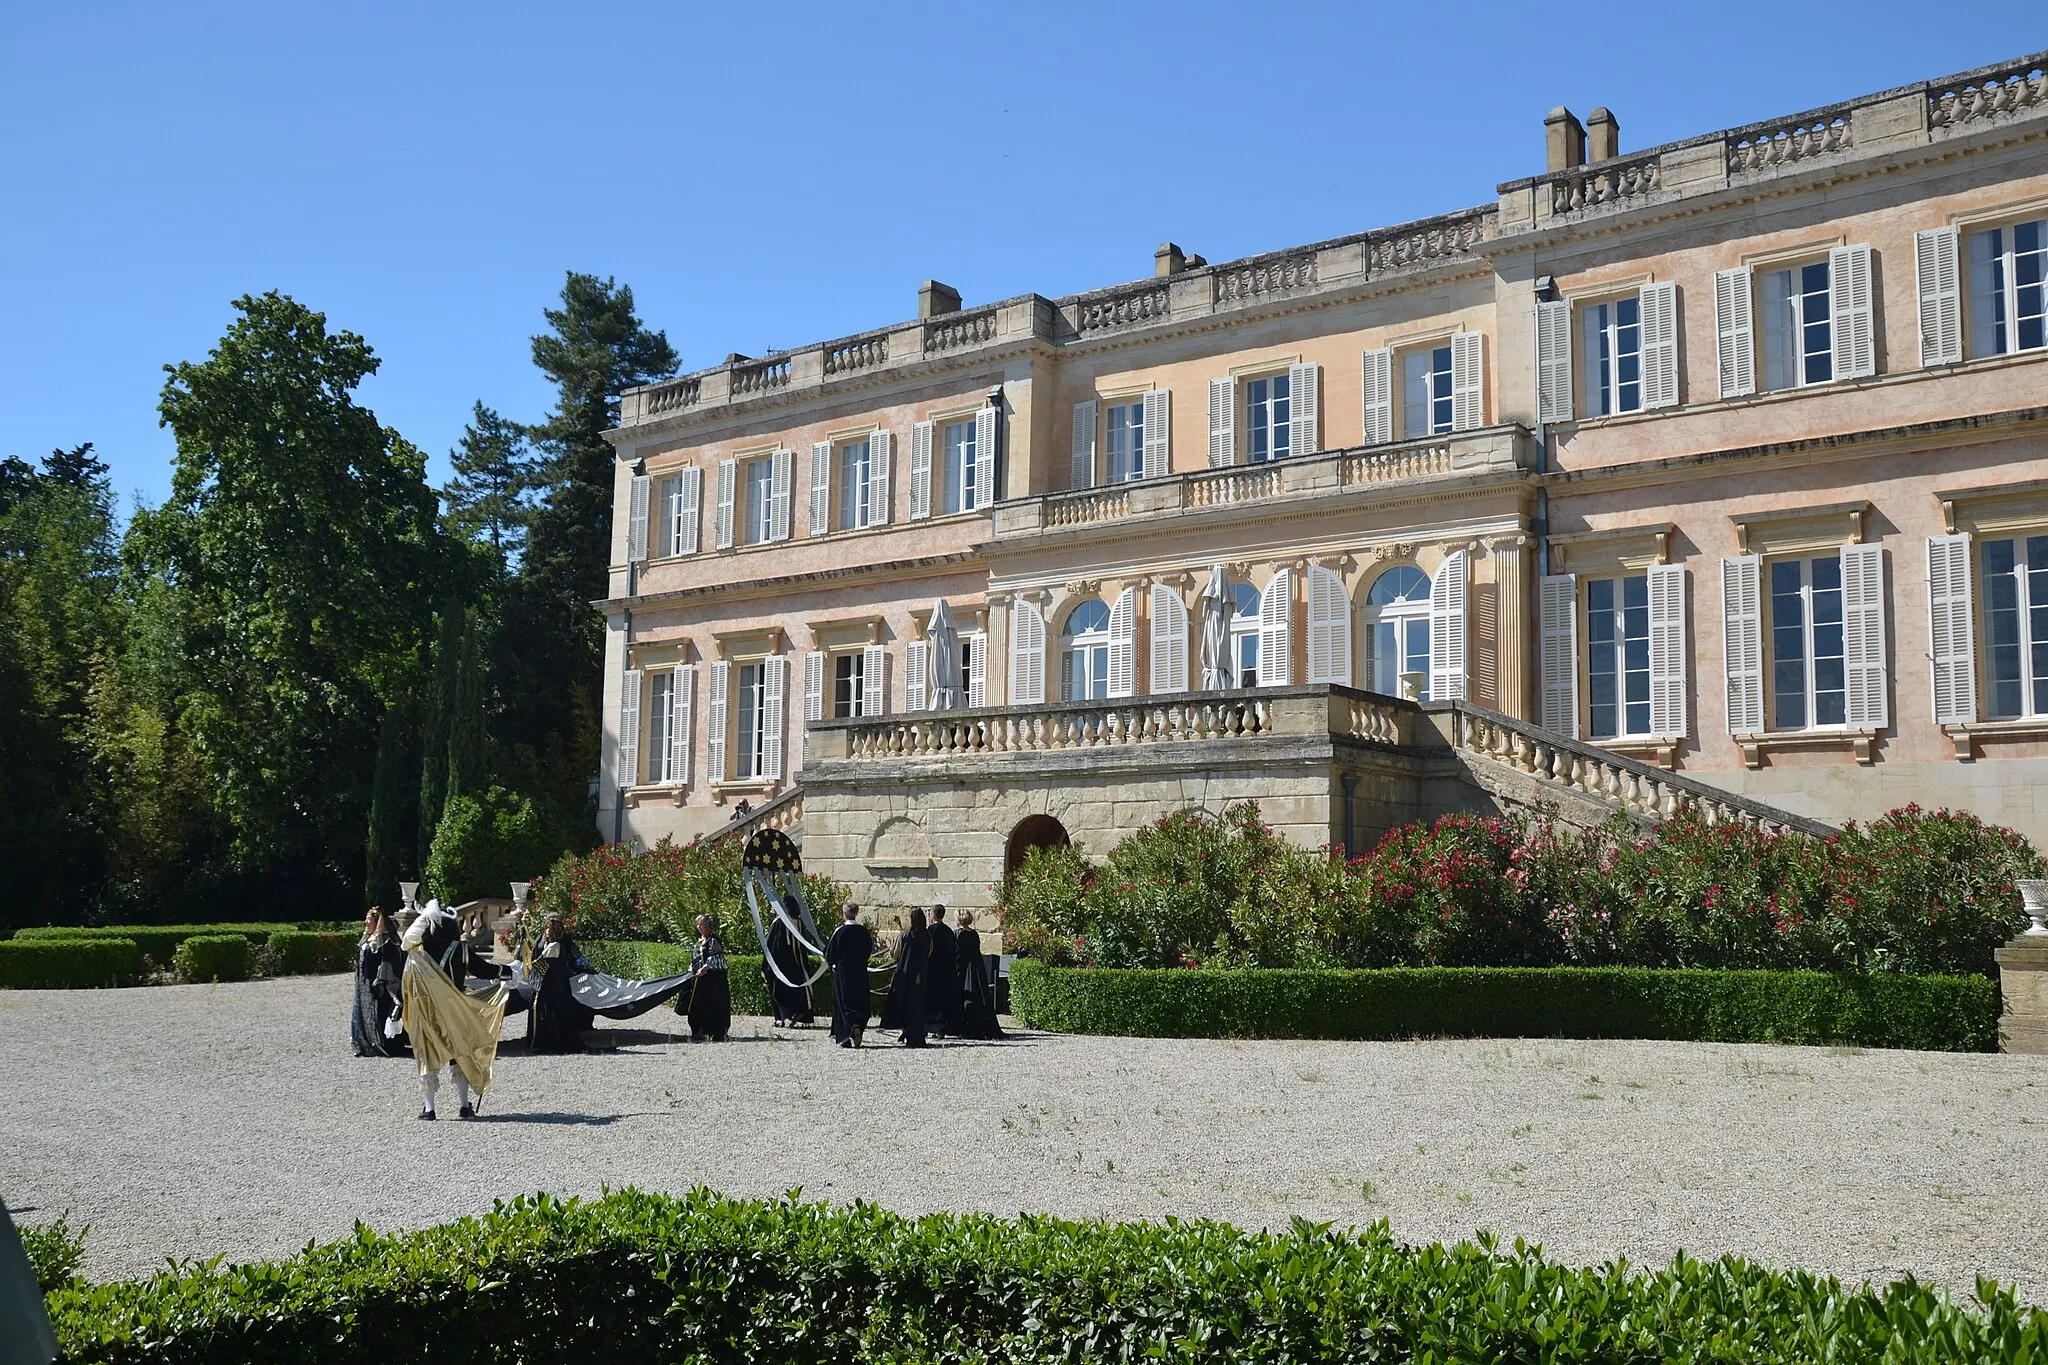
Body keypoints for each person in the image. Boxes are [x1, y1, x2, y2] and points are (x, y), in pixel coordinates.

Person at [400, 899, 509, 1120]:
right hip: (454, 1010)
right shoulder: (460, 949)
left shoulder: (417, 953)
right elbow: (484, 971)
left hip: (427, 1013)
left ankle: (429, 1109)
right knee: (460, 1054)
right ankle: (463, 1106)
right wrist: (507, 970)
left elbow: (408, 984)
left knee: (427, 1056)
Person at [526, 914, 596, 1053]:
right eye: (547, 927)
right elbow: (534, 955)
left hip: (556, 983)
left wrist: (588, 970)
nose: (548, 930)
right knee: (542, 1010)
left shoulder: (563, 940)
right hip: (544, 982)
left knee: (555, 1011)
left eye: (551, 928)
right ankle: (539, 1041)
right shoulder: (541, 939)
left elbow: (575, 958)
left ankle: (551, 1042)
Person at [351, 908, 408, 1057]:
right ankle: (363, 1042)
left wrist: (381, 982)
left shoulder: (385, 942)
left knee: (379, 1012)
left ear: (377, 921)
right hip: (363, 984)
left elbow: (388, 963)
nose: (366, 922)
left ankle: (383, 1043)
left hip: (378, 985)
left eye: (369, 919)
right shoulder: (367, 938)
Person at [823, 902, 873, 1048]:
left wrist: (832, 963)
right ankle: (857, 1025)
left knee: (843, 1003)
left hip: (843, 974)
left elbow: (829, 954)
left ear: (844, 913)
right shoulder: (864, 932)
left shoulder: (839, 932)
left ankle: (846, 1034)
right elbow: (868, 951)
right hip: (860, 973)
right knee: (859, 1001)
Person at [878, 907, 929, 1047]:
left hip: (905, 973)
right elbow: (930, 952)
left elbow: (895, 953)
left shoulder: (904, 935)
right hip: (921, 974)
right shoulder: (927, 936)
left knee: (902, 1002)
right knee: (916, 1004)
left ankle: (904, 1029)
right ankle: (914, 1033)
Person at [763, 897, 815, 1028]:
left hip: (780, 964)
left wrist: (767, 965)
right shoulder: (798, 922)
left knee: (777, 990)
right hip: (798, 963)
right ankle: (800, 1013)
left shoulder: (780, 922)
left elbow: (772, 945)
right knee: (798, 989)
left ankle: (780, 1018)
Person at [954, 909, 1005, 1040]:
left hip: (962, 967)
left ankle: (965, 1026)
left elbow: (957, 953)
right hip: (976, 967)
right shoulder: (974, 934)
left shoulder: (957, 934)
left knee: (963, 996)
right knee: (980, 995)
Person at [683, 915, 731, 1042]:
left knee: (715, 1006)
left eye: (702, 924)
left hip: (714, 982)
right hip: (701, 982)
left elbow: (716, 958)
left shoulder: (714, 941)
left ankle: (718, 1033)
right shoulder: (699, 942)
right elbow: (695, 960)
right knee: (698, 1006)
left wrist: (704, 968)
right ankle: (700, 1031)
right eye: (698, 925)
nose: (699, 927)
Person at [924, 904, 961, 1038]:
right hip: (946, 970)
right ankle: (941, 1029)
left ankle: (929, 1027)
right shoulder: (949, 931)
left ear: (933, 915)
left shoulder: (930, 930)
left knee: (931, 1001)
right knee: (943, 1001)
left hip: (933, 970)